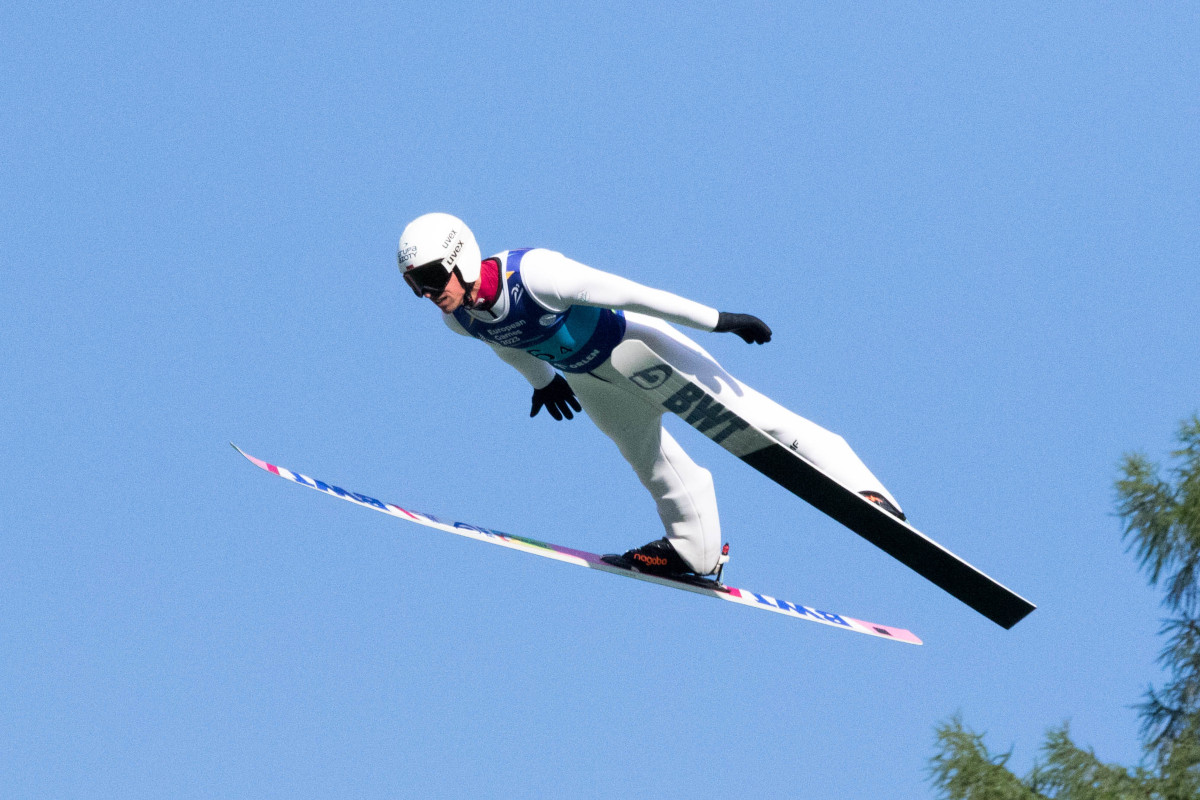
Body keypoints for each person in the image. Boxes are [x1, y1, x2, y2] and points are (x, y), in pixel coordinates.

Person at [397, 212, 904, 580]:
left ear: (461, 258)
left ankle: (864, 488)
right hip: (590, 379)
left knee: (750, 416)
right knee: (651, 462)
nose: (428, 293)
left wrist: (718, 321)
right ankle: (694, 551)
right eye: (416, 285)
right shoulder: (459, 320)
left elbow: (634, 294)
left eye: (432, 278)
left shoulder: (534, 274)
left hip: (639, 345)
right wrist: (542, 381)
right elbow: (503, 344)